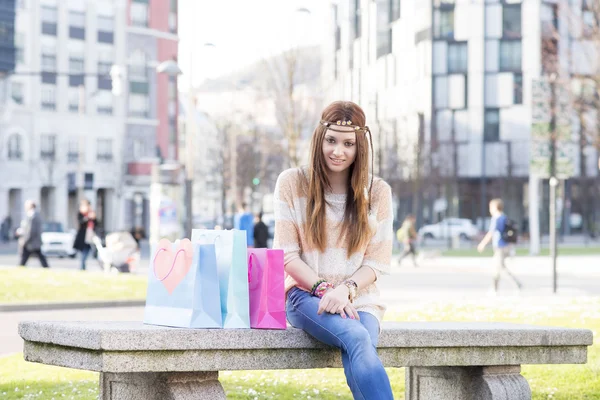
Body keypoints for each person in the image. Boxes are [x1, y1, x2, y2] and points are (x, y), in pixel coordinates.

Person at [273, 101, 394, 399]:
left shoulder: (377, 192)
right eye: (331, 140)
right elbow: (287, 255)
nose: (338, 151)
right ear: (319, 140)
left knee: (362, 340)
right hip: (304, 295)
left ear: (360, 147)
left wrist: (346, 290)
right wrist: (325, 289)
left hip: (360, 299)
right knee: (356, 335)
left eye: (348, 143)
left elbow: (377, 262)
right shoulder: (292, 183)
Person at [477, 198, 522, 293]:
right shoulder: (504, 217)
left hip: (500, 246)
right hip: (507, 245)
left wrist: (482, 244)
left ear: (494, 207)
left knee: (500, 267)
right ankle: (495, 288)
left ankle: (514, 284)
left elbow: (491, 233)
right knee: (497, 267)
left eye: (490, 207)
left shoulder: (496, 219)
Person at [16, 200, 49, 268]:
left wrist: (25, 241)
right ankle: (46, 268)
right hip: (33, 242)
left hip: (31, 242)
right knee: (39, 256)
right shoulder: (34, 215)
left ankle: (20, 268)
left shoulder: (33, 216)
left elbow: (31, 230)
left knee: (25, 258)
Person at [73, 199, 97, 271]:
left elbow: (96, 223)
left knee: (87, 250)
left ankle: (82, 266)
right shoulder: (81, 213)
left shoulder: (92, 213)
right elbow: (81, 222)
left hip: (90, 234)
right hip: (83, 236)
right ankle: (82, 266)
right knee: (84, 250)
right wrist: (88, 218)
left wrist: (93, 218)